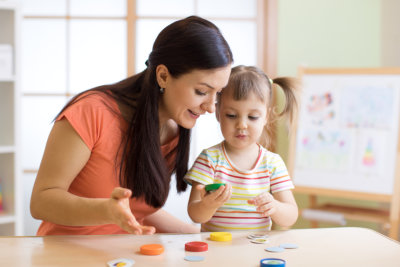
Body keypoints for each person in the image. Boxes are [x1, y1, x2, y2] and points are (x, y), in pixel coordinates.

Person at [30, 16, 233, 235]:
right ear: (163, 76)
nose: (211, 108)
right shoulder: (91, 112)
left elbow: (136, 210)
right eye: (202, 92)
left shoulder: (173, 129)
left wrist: (199, 235)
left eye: (218, 93)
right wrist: (105, 210)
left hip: (126, 256)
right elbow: (42, 201)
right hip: (65, 254)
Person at [185, 65, 298, 232]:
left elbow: (291, 215)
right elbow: (195, 215)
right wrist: (207, 205)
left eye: (252, 117)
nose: (242, 125)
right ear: (218, 113)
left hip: (257, 250)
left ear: (266, 117)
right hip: (217, 251)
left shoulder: (272, 163)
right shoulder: (209, 159)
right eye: (231, 115)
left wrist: (275, 207)